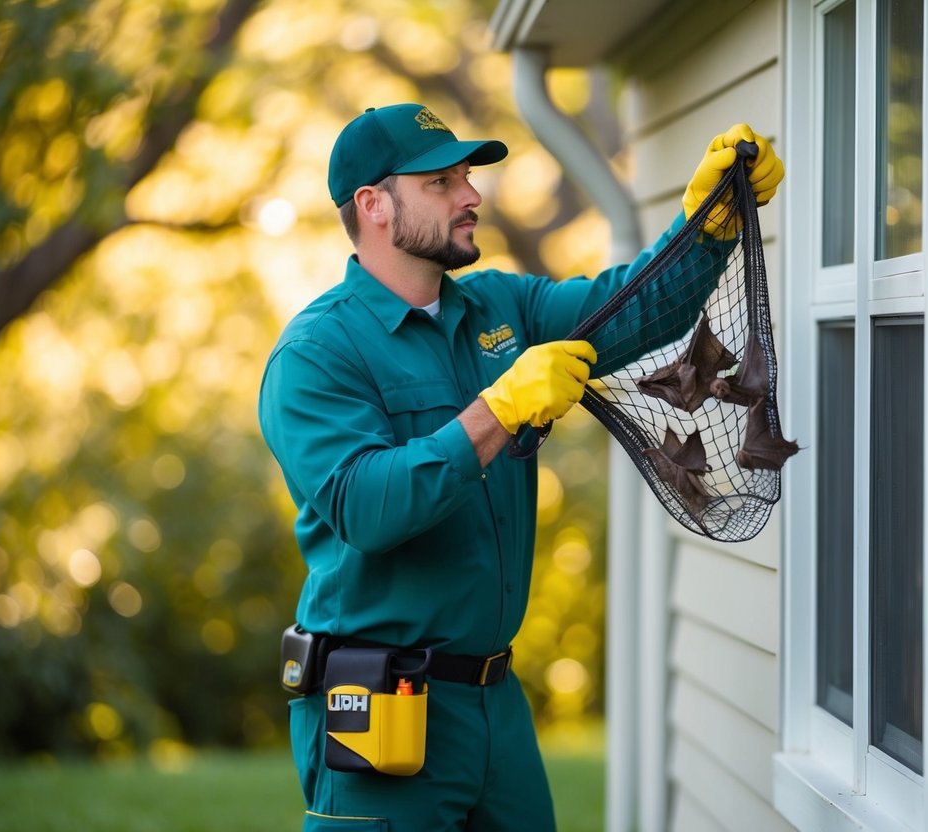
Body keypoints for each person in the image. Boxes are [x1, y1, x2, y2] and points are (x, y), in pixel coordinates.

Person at [258, 102, 784, 832]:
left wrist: (707, 226)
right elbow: (366, 508)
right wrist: (496, 413)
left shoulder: (500, 306)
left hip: (493, 702)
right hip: (379, 704)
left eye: (466, 177)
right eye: (441, 181)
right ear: (373, 205)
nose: (471, 195)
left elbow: (626, 310)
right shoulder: (316, 354)